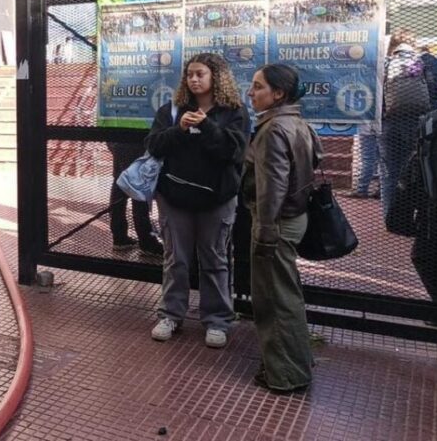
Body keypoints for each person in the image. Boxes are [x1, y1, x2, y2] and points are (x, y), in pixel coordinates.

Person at [146, 53, 249, 348]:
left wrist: (206, 126)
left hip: (216, 200)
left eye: (200, 74)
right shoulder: (173, 110)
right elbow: (153, 144)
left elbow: (234, 152)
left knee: (215, 260)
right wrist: (178, 130)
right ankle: (170, 315)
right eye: (190, 74)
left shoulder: (234, 112)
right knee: (175, 259)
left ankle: (217, 321)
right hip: (175, 198)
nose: (194, 79)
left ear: (216, 77)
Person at [242, 64, 319, 393]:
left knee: (275, 301)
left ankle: (286, 375)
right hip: (291, 219)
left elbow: (271, 187)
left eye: (258, 87)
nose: (251, 92)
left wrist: (266, 232)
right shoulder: (296, 122)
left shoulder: (273, 129)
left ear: (279, 94)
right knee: (286, 295)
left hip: (275, 223)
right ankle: (296, 361)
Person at [381, 31, 431, 219]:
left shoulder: (385, 63)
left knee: (389, 171)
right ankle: (416, 214)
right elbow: (434, 89)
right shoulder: (423, 62)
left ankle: (390, 217)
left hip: (389, 121)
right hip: (418, 121)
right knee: (417, 168)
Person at [108, 141, 161, 255]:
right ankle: (147, 243)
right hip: (137, 143)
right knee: (138, 194)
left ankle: (120, 238)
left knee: (120, 186)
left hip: (118, 143)